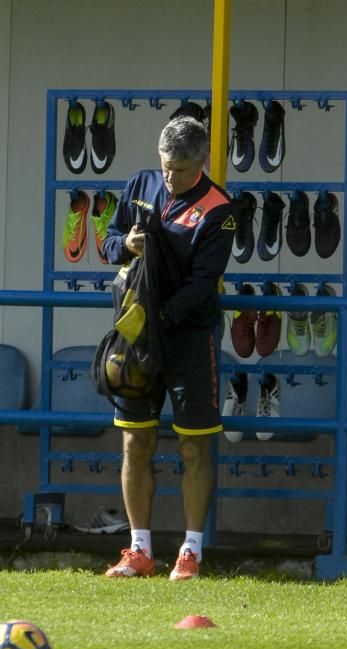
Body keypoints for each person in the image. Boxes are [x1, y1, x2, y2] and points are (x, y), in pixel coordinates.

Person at [102, 116, 237, 580]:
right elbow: (108, 241)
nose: (169, 178)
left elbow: (203, 285)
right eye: (164, 167)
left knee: (194, 448)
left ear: (200, 161)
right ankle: (138, 550)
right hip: (137, 337)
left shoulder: (221, 209)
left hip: (188, 338)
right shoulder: (139, 184)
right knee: (134, 440)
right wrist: (127, 244)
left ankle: (190, 552)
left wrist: (159, 318)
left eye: (179, 170)